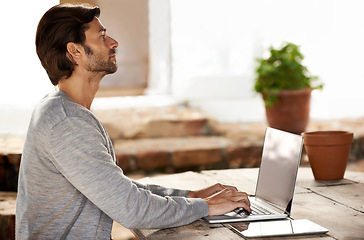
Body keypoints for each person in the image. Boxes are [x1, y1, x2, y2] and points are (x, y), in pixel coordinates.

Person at [15, 3, 251, 239]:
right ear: (75, 51)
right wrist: (208, 207)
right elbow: (131, 208)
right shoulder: (67, 123)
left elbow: (118, 188)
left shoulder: (63, 110)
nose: (113, 43)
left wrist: (192, 195)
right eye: (102, 36)